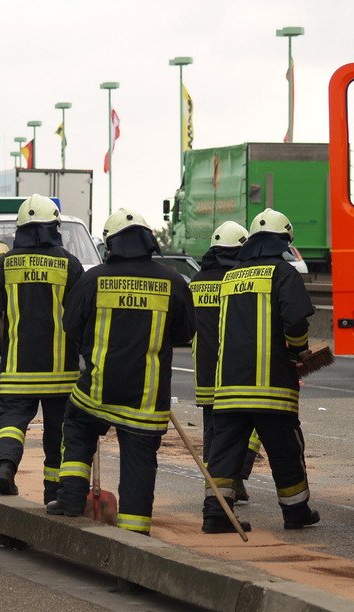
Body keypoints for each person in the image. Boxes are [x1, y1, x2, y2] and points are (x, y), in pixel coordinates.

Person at [48, 208, 194, 535]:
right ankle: (135, 533)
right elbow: (186, 333)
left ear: (111, 244)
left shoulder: (93, 279)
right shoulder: (172, 280)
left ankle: (71, 498)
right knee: (139, 463)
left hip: (98, 390)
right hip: (147, 398)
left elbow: (70, 325)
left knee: (76, 428)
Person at [203, 208, 319, 533]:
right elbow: (296, 321)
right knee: (285, 450)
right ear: (282, 241)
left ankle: (215, 514)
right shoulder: (283, 274)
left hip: (228, 387)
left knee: (223, 453)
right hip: (271, 387)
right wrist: (298, 350)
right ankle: (296, 512)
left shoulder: (230, 277)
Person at [0, 194, 84, 500]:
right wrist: (91, 362)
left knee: (10, 423)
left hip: (17, 371)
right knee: (57, 434)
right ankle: (54, 494)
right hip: (61, 374)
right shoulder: (70, 266)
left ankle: (5, 467)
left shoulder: (4, 265)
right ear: (55, 227)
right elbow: (83, 320)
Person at [189, 220, 258, 504]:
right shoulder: (240, 281)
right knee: (249, 425)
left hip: (205, 371)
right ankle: (235, 477)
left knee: (213, 429)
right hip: (236, 370)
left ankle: (215, 482)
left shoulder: (196, 282)